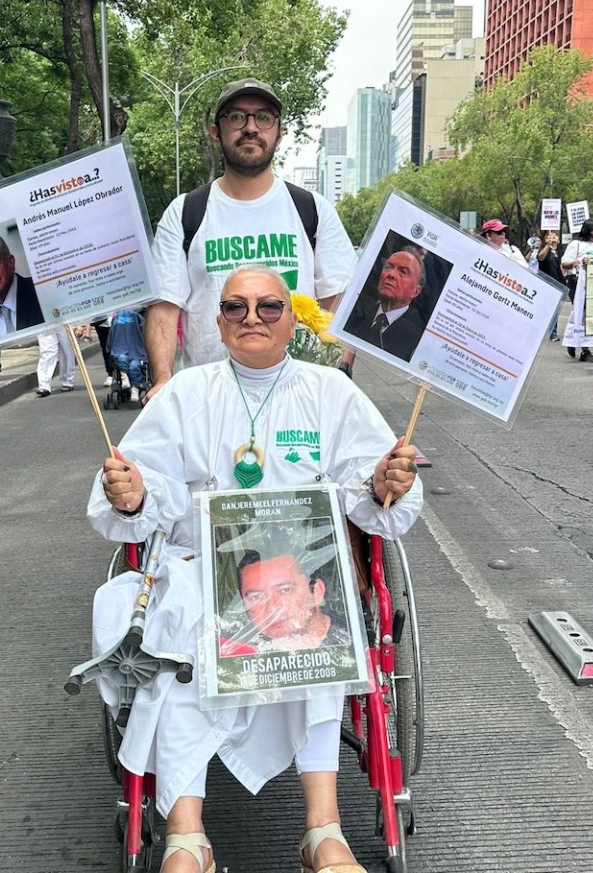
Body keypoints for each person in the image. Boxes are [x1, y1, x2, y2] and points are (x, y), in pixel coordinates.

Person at [89, 265, 422, 873]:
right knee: (182, 613)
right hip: (202, 571)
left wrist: (381, 484)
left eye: (268, 307)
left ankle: (324, 831)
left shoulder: (330, 391)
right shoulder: (186, 394)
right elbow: (140, 487)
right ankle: (187, 837)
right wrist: (130, 492)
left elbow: (372, 489)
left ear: (290, 319)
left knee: (316, 616)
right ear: (217, 322)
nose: (252, 318)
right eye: (236, 307)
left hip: (295, 573)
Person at [144, 78, 357, 398]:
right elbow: (164, 307)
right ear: (216, 132)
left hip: (298, 397)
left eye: (264, 117)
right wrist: (163, 379)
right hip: (209, 400)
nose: (251, 127)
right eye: (236, 117)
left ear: (280, 132)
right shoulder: (185, 212)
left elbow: (340, 303)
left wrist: (339, 370)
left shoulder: (312, 210)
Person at [220, 546, 351, 656]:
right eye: (256, 597)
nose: (272, 607)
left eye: (285, 590)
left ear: (316, 592)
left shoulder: (358, 643)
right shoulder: (236, 653)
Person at [343, 248, 426, 361]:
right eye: (388, 267)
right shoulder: (355, 313)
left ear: (415, 291)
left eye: (403, 272)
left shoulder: (418, 340)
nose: (391, 274)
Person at [560, 219, 593, 361]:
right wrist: (575, 263)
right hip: (578, 282)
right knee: (584, 313)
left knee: (583, 313)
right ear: (591, 230)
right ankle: (585, 350)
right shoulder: (576, 244)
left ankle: (572, 339)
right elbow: (564, 264)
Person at [105, 309, 148, 403]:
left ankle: (135, 388)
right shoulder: (116, 317)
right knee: (122, 358)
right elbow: (112, 332)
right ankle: (124, 377)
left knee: (134, 366)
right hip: (121, 347)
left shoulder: (137, 317)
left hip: (135, 349)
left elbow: (144, 329)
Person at [533, 231, 566, 340]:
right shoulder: (544, 250)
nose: (552, 237)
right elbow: (540, 258)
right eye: (549, 235)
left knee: (555, 308)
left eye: (555, 235)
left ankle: (553, 331)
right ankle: (546, 330)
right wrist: (548, 245)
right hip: (547, 283)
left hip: (559, 282)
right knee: (546, 308)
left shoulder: (561, 251)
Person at [35, 330, 75, 396]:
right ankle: (44, 385)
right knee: (47, 352)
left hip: (64, 322)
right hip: (45, 323)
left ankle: (67, 381)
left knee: (67, 351)